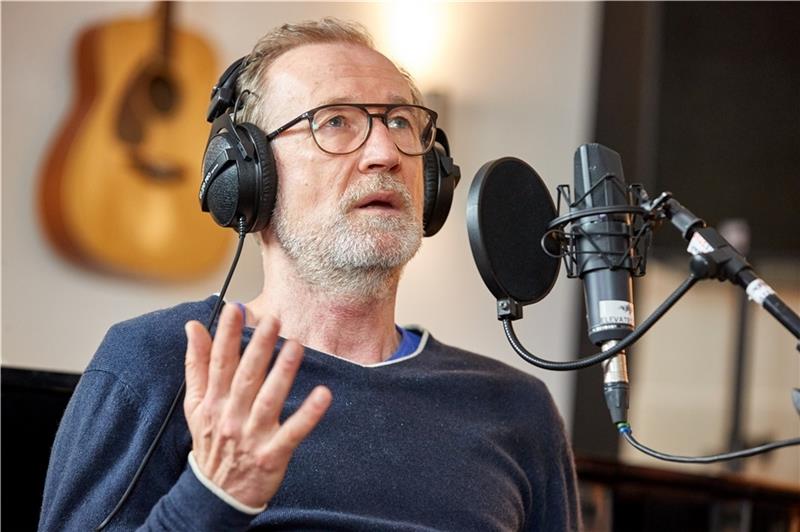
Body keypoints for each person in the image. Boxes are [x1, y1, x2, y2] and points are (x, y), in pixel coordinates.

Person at [39, 18, 581, 531]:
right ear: (248, 177)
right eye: (336, 122)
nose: (384, 152)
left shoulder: (517, 410)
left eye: (399, 122)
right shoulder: (159, 364)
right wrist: (213, 494)